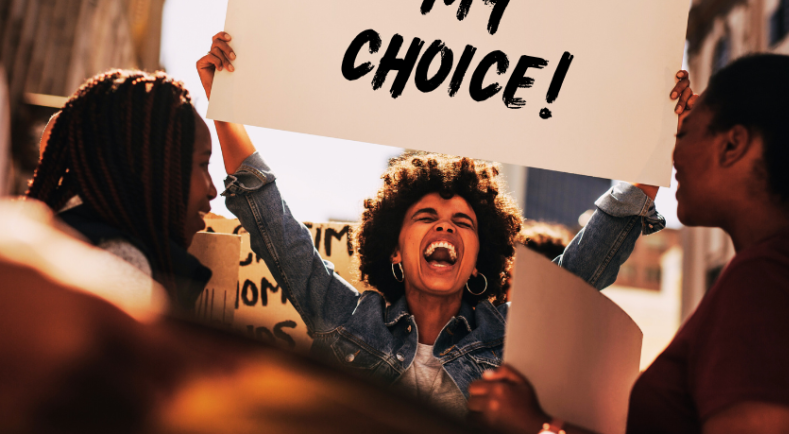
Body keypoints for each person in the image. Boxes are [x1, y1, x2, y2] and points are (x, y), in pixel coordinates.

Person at [198, 32, 688, 416]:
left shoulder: (516, 334)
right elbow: (272, 222)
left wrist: (665, 134)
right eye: (426, 216)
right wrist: (225, 101)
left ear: (481, 255)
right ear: (394, 248)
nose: (446, 229)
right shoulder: (344, 318)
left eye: (463, 223)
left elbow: (596, 250)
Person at [467, 36, 789, 434]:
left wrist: (532, 427)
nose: (674, 154)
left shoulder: (771, 283)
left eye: (684, 135)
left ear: (733, 144)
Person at [27, 70, 218, 312]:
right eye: (203, 164)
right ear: (152, 166)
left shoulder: (53, 235)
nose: (213, 190)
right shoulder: (121, 261)